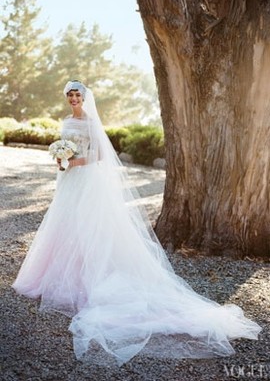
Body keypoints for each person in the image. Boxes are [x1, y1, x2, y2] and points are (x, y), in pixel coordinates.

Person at [12, 80, 262, 366]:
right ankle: (55, 278)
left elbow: (100, 155)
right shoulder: (66, 120)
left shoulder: (92, 122)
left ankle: (86, 279)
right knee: (63, 223)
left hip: (85, 179)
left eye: (77, 94)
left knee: (87, 225)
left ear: (84, 97)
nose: (73, 98)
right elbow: (63, 150)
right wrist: (60, 161)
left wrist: (75, 162)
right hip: (67, 180)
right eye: (69, 94)